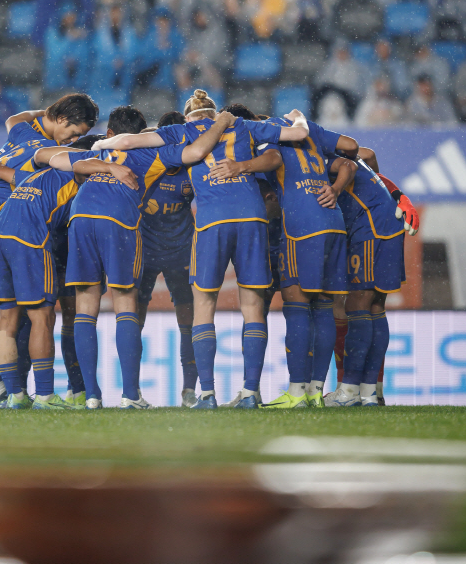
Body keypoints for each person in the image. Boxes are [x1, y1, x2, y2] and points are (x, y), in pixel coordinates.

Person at [97, 91, 310, 408]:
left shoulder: (180, 131)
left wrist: (101, 145)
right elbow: (297, 136)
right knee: (252, 307)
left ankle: (206, 394)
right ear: (212, 114)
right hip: (252, 216)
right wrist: (297, 115)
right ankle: (251, 392)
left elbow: (128, 142)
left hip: (212, 221)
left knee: (203, 307)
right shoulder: (242, 126)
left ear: (188, 117)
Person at [65, 104, 233, 408]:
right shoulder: (154, 154)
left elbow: (59, 159)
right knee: (125, 304)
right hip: (121, 222)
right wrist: (220, 122)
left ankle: (90, 396)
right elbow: (195, 153)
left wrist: (105, 165)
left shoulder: (99, 149)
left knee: (85, 306)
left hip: (80, 215)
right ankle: (130, 395)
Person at [0, 93, 99, 408]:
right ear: (60, 119)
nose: (74, 139)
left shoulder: (23, 133)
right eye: (73, 131)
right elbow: (69, 161)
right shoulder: (46, 152)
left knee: (8, 315)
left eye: (79, 136)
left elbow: (15, 118)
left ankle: (12, 394)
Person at [210, 116, 358, 409]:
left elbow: (273, 157)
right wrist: (336, 189)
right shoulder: (313, 141)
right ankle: (316, 391)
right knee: (325, 306)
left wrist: (240, 166)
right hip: (334, 223)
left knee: (297, 305)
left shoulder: (270, 138)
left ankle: (295, 392)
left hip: (303, 228)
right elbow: (350, 159)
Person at [0, 138, 132, 410]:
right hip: (29, 241)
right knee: (42, 317)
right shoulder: (75, 183)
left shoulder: (32, 176)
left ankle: (15, 396)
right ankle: (44, 396)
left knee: (7, 319)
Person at [327, 146, 405, 407]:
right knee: (374, 306)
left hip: (369, 225)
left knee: (357, 302)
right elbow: (369, 154)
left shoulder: (311, 152)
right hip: (389, 219)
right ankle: (371, 392)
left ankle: (348, 392)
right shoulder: (331, 147)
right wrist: (382, 195)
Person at [135, 111, 198, 407]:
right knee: (134, 320)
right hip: (144, 250)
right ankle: (132, 392)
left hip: (181, 252)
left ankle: (189, 391)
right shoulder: (142, 160)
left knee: (188, 322)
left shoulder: (195, 163)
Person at [43, 3, 93, 93]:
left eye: (73, 16)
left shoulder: (80, 35)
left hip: (76, 86)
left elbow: (84, 56)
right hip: (55, 86)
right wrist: (69, 38)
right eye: (67, 16)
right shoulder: (52, 33)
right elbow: (54, 55)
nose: (70, 20)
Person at [134, 7, 184, 90]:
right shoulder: (149, 37)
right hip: (152, 78)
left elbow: (182, 53)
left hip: (172, 80)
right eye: (160, 21)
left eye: (165, 21)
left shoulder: (175, 36)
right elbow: (143, 59)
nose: (163, 24)